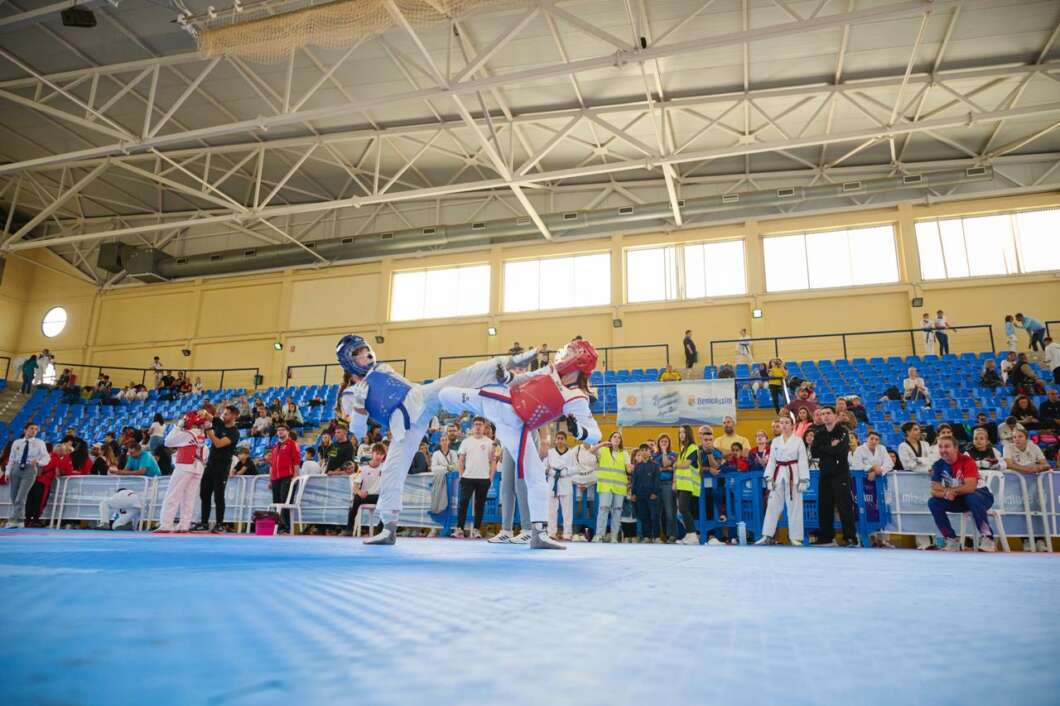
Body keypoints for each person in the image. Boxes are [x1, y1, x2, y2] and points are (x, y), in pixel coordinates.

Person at [337, 335, 533, 546]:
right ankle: (388, 528)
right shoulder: (350, 394)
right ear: (349, 361)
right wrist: (359, 407)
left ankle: (509, 363)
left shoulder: (382, 369)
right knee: (392, 472)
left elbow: (403, 387)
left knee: (460, 377)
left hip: (419, 397)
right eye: (358, 354)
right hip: (404, 427)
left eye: (365, 350)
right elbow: (357, 431)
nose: (365, 355)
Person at [438, 340, 601, 550]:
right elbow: (522, 378)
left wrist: (579, 431)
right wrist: (506, 377)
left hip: (517, 427)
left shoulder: (576, 396)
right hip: (500, 403)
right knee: (445, 394)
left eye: (568, 353)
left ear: (579, 360)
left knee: (535, 477)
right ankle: (424, 411)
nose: (562, 356)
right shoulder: (549, 370)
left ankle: (538, 534)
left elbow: (595, 434)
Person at [927, 436, 997, 552]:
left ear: (955, 448)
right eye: (940, 447)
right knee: (933, 502)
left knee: (971, 497)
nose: (943, 450)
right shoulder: (938, 465)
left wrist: (950, 491)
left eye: (947, 446)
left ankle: (987, 537)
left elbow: (970, 487)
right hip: (959, 496)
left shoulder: (967, 461)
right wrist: (945, 494)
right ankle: (951, 539)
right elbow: (934, 490)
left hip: (981, 495)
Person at [756, 415, 809, 545]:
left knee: (795, 506)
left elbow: (802, 460)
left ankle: (795, 537)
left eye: (787, 423)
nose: (784, 425)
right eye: (781, 423)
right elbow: (772, 461)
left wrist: (803, 479)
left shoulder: (798, 441)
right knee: (772, 505)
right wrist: (768, 478)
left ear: (792, 425)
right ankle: (767, 535)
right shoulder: (775, 441)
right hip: (778, 473)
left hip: (794, 473)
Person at [810, 406, 857, 547]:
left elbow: (840, 451)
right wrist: (830, 447)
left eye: (828, 413)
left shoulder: (842, 431)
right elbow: (814, 453)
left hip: (840, 474)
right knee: (824, 506)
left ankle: (850, 537)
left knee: (845, 506)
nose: (825, 416)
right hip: (824, 474)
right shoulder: (819, 433)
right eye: (822, 414)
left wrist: (825, 448)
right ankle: (826, 537)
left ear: (835, 416)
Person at [157, 412, 207, 533]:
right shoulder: (201, 433)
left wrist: (177, 427)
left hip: (185, 465)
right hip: (198, 467)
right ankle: (184, 524)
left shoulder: (187, 433)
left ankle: (166, 524)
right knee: (189, 498)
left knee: (172, 495)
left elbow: (168, 442)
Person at [193, 405, 240, 533]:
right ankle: (204, 523)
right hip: (210, 464)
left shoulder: (234, 432)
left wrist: (209, 431)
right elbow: (208, 415)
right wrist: (202, 413)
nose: (224, 416)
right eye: (223, 414)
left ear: (234, 416)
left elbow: (218, 444)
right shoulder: (219, 422)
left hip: (222, 466)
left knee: (219, 496)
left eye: (227, 414)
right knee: (204, 494)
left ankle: (219, 524)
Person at [2, 423, 52, 529]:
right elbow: (11, 458)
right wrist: (7, 472)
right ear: (25, 430)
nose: (34, 431)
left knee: (21, 496)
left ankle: (13, 520)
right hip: (16, 468)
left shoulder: (40, 443)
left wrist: (38, 461)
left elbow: (47, 458)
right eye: (31, 428)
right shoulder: (17, 442)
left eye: (35, 429)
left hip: (30, 469)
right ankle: (20, 520)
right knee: (14, 496)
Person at [453, 417, 495, 539]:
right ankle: (459, 528)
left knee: (480, 505)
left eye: (480, 424)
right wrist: (461, 475)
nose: (477, 427)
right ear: (472, 427)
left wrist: (490, 478)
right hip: (468, 477)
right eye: (475, 424)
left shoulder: (489, 442)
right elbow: (461, 460)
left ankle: (476, 529)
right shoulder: (466, 442)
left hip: (483, 478)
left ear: (484, 427)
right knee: (463, 502)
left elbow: (493, 461)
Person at [591, 431, 630, 543]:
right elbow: (591, 451)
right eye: (614, 436)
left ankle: (614, 536)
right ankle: (599, 535)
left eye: (619, 437)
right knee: (603, 510)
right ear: (610, 439)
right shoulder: (603, 450)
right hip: (605, 486)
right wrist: (602, 444)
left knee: (617, 512)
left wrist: (630, 468)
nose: (617, 439)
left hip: (619, 487)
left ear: (621, 441)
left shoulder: (625, 453)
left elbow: (628, 468)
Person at [344, 443, 385, 536]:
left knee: (389, 502)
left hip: (378, 497)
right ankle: (349, 529)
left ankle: (379, 529)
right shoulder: (362, 468)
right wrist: (359, 492)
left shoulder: (385, 468)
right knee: (356, 499)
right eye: (377, 453)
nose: (379, 456)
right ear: (372, 453)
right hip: (365, 496)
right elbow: (355, 486)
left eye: (381, 454)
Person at [269, 424, 301, 533]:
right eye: (278, 430)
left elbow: (296, 461)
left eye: (282, 430)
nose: (280, 432)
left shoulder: (292, 444)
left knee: (285, 501)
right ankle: (278, 526)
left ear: (288, 432)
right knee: (276, 502)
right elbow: (272, 464)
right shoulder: (275, 446)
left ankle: (285, 527)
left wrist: (295, 477)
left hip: (287, 477)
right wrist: (270, 479)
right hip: (275, 478)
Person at [546, 431, 576, 540]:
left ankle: (567, 534)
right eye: (558, 438)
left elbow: (575, 468)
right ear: (555, 440)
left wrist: (565, 472)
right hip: (553, 482)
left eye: (562, 438)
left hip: (566, 482)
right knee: (552, 510)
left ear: (565, 440)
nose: (559, 440)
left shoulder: (571, 453)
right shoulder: (550, 452)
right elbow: (545, 466)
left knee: (567, 511)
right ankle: (551, 533)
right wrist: (550, 471)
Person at [673, 425, 700, 544]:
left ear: (688, 433)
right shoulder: (682, 450)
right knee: (683, 509)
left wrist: (674, 464)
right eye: (680, 433)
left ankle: (693, 535)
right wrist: (674, 482)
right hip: (681, 484)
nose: (681, 435)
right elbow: (678, 469)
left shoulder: (693, 448)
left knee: (684, 508)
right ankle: (690, 534)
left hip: (689, 485)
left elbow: (686, 464)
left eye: (683, 432)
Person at [630, 444, 660, 542]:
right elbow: (634, 481)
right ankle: (646, 536)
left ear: (650, 451)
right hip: (640, 495)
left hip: (652, 495)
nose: (644, 452)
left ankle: (656, 537)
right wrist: (633, 493)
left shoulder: (655, 465)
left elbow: (657, 480)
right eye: (642, 450)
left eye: (646, 450)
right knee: (644, 516)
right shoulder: (637, 466)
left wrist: (655, 492)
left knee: (654, 516)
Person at [654, 434, 677, 541]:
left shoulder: (673, 454)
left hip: (668, 484)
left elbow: (666, 463)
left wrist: (664, 453)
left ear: (669, 443)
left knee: (669, 511)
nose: (664, 443)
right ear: (658, 443)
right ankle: (658, 535)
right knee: (657, 512)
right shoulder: (654, 455)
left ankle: (671, 535)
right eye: (662, 441)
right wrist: (666, 468)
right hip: (657, 485)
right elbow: (656, 469)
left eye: (666, 442)